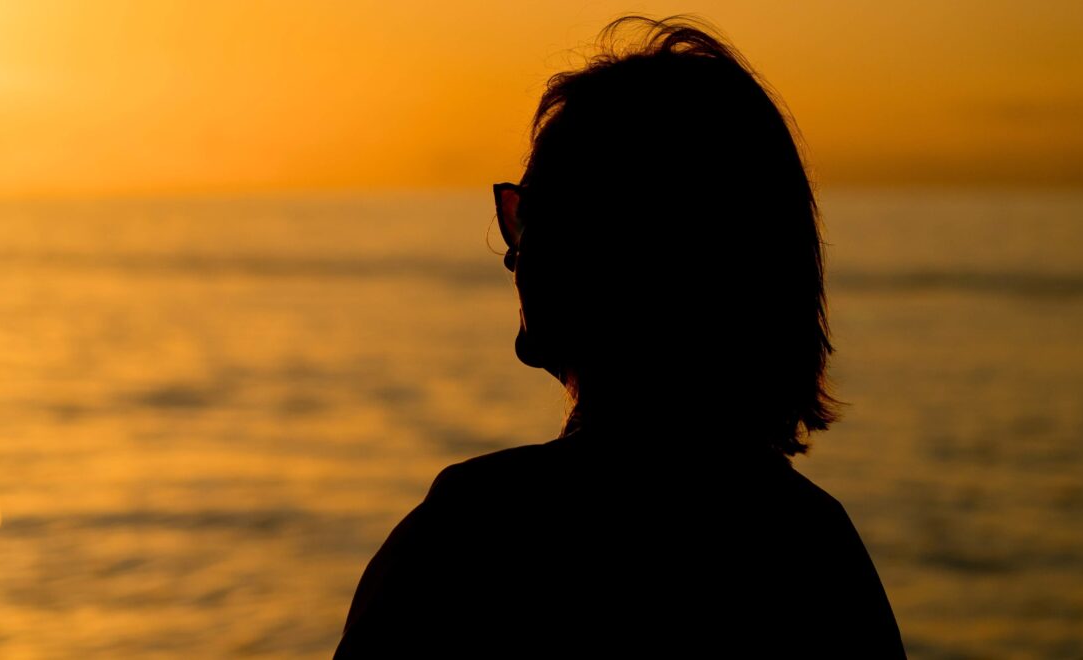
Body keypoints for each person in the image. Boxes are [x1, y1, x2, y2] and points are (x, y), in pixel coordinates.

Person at [335, 15, 905, 658]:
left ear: (609, 248)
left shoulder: (478, 532)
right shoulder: (815, 550)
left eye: (528, 214)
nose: (510, 255)